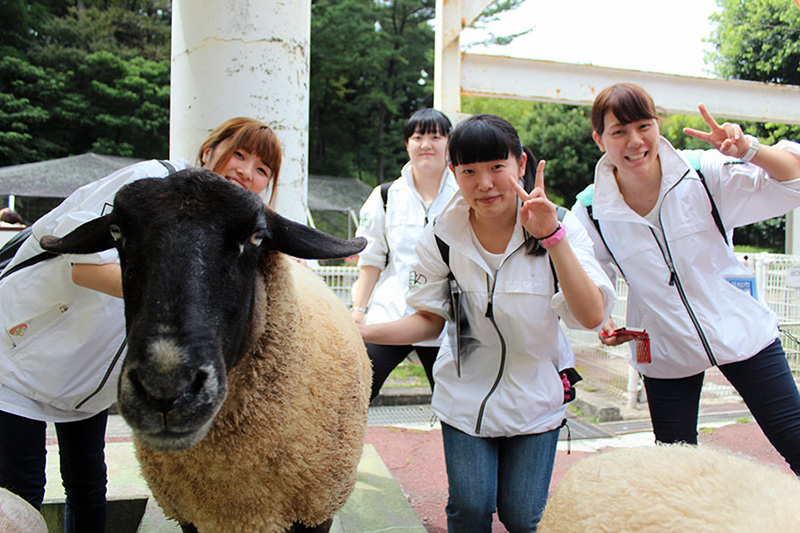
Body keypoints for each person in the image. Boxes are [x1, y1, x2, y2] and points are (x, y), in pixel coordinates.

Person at [0, 117, 281, 532]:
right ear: (208, 151)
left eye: (262, 168)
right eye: (238, 153)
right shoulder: (150, 180)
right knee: (21, 490)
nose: (245, 172)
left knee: (89, 485)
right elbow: (81, 262)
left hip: (89, 376)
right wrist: (187, 292)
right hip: (23, 353)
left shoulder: (232, 235)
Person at [359, 114, 615, 531]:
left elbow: (591, 315)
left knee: (523, 517)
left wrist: (552, 238)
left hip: (537, 401)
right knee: (471, 509)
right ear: (453, 173)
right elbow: (427, 321)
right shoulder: (442, 237)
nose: (485, 183)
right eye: (469, 171)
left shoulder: (564, 224)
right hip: (464, 400)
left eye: (497, 166)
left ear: (521, 163)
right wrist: (361, 331)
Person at [571, 82, 800, 474]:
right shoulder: (591, 210)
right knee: (676, 468)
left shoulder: (703, 173)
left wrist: (749, 150)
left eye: (644, 126)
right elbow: (592, 278)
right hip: (662, 344)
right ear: (599, 139)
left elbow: (793, 180)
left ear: (658, 125)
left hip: (740, 328)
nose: (635, 141)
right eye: (619, 131)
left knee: (795, 437)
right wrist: (603, 319)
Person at [351, 108, 458, 400]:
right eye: (418, 136)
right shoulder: (385, 196)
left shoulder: (464, 195)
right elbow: (371, 259)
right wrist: (359, 310)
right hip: (392, 315)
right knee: (355, 389)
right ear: (406, 144)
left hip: (447, 323)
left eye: (436, 136)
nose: (427, 144)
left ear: (449, 143)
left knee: (457, 407)